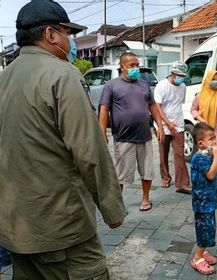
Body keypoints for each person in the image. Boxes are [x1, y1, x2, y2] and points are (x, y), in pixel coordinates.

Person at [0, 0, 126, 278]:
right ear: (50, 34)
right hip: (60, 228)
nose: (71, 41)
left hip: (15, 227)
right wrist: (112, 209)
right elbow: (89, 150)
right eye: (68, 33)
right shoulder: (62, 75)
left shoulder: (4, 78)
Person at [99, 52, 164, 212]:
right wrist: (101, 132)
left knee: (147, 170)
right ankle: (118, 203)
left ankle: (145, 198)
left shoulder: (144, 84)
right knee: (121, 173)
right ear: (122, 67)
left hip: (145, 136)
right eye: (132, 65)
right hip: (123, 137)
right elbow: (104, 109)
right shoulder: (111, 85)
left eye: (137, 65)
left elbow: (153, 107)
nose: (136, 68)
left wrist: (160, 126)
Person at [190, 122, 217, 275]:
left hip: (210, 201)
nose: (215, 142)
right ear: (201, 143)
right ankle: (197, 258)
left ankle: (203, 252)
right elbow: (211, 175)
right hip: (202, 202)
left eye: (214, 138)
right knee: (204, 229)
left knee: (209, 227)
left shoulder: (211, 155)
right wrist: (216, 157)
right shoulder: (198, 158)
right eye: (211, 139)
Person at [154, 61, 192, 194]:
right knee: (163, 153)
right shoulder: (161, 86)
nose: (181, 77)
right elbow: (157, 108)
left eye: (183, 75)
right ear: (172, 73)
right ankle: (165, 177)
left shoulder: (183, 87)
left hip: (178, 126)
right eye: (178, 75)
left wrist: (174, 124)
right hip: (163, 126)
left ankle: (182, 184)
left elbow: (177, 104)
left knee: (179, 154)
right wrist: (168, 123)